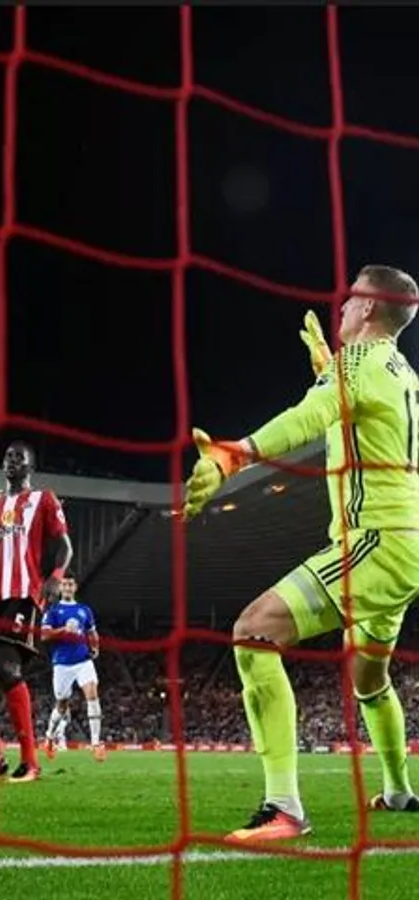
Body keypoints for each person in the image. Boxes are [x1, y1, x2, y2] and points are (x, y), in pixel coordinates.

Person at [184, 265, 419, 842]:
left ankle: (283, 807)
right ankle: (398, 790)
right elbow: (356, 417)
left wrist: (232, 455)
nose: (342, 305)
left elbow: (308, 418)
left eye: (351, 297)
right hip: (406, 544)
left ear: (369, 306)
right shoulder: (401, 371)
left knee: (253, 631)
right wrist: (327, 371)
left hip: (375, 542)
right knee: (369, 677)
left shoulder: (357, 364)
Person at [0, 441, 73, 782]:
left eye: (19, 458)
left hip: (24, 595)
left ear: (30, 466)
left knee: (7, 668)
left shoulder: (44, 499)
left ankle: (30, 762)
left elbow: (65, 547)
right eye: (8, 457)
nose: (11, 461)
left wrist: (55, 577)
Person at [41, 572, 105, 761]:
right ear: (60, 588)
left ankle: (96, 744)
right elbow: (44, 635)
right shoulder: (53, 610)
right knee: (61, 705)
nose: (67, 588)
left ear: (75, 588)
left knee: (92, 695)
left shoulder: (84, 610)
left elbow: (92, 632)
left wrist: (95, 647)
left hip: (83, 660)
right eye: (65, 584)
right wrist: (64, 630)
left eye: (71, 584)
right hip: (62, 663)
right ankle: (49, 737)